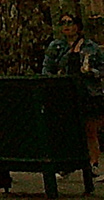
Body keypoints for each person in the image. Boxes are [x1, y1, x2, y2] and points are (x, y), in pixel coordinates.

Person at [43, 12, 104, 168]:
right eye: (63, 23)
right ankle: (68, 164)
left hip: (88, 92)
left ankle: (93, 163)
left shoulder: (91, 47)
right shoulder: (56, 46)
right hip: (65, 92)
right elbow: (47, 69)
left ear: (78, 26)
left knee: (90, 130)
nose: (67, 26)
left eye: (70, 22)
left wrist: (92, 72)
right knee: (68, 129)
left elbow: (102, 68)